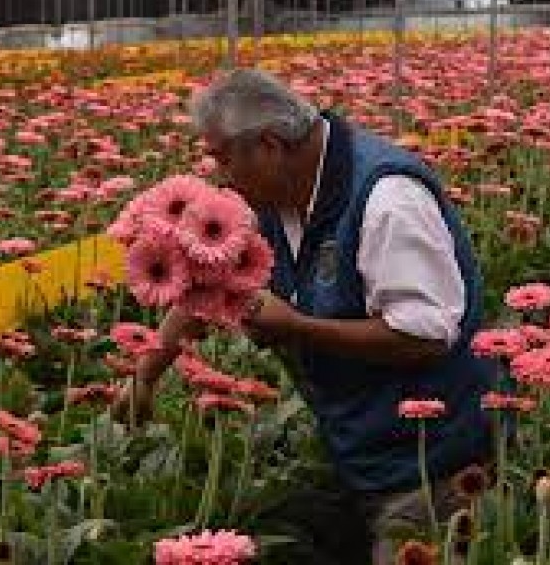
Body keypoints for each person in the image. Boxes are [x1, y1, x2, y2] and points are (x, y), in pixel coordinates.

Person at [116, 69, 497, 564]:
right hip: (352, 450)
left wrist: (296, 326)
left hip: (431, 463)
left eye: (224, 159)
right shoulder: (277, 195)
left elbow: (426, 334)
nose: (222, 177)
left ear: (270, 146)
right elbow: (208, 279)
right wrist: (148, 370)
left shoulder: (387, 199)